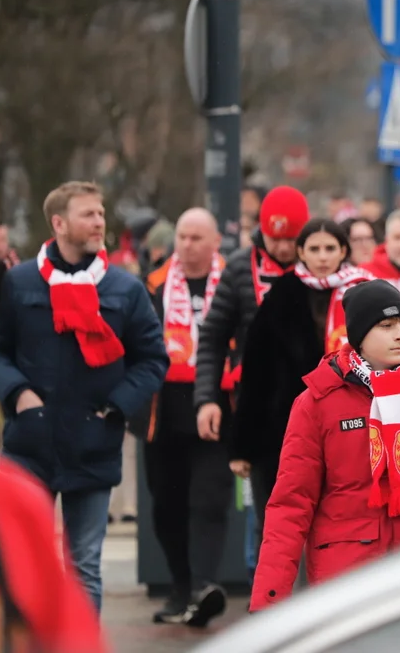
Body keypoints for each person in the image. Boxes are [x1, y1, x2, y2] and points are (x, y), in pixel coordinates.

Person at [0, 181, 169, 612]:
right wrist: (18, 394)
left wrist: (116, 407)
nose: (99, 222)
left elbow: (152, 359)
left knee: (83, 565)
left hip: (94, 442)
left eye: (101, 213)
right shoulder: (19, 282)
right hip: (29, 444)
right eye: (88, 214)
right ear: (59, 223)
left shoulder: (124, 289)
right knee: (17, 564)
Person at [250, 281, 400, 611]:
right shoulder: (317, 401)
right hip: (348, 575)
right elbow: (291, 505)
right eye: (386, 326)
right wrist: (269, 600)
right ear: (358, 336)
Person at [233, 219, 373, 535]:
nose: (322, 257)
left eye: (330, 248)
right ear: (301, 252)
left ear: (343, 251)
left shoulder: (365, 291)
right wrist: (243, 445)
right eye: (314, 249)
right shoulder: (281, 294)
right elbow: (255, 371)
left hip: (353, 428)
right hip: (284, 429)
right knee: (279, 526)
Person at [144, 208, 235, 626]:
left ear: (216, 241)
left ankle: (203, 587)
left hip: (216, 404)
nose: (187, 245)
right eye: (182, 236)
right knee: (167, 504)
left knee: (209, 500)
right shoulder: (155, 283)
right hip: (165, 410)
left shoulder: (232, 281)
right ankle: (180, 586)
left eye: (197, 238)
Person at [195, 185, 309, 446]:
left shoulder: (319, 264)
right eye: (274, 239)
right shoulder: (239, 267)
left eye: (291, 240)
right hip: (254, 397)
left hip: (309, 395)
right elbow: (213, 338)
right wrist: (206, 400)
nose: (282, 248)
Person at [0, 454, 108, 653]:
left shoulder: (11, 502)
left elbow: (68, 631)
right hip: (37, 452)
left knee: (86, 566)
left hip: (88, 460)